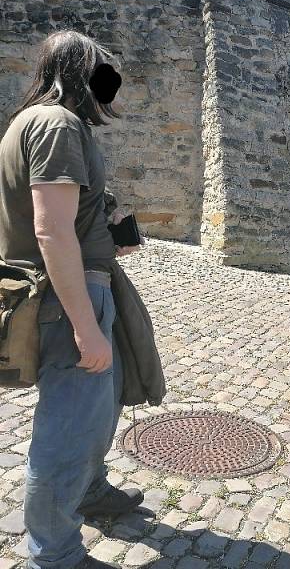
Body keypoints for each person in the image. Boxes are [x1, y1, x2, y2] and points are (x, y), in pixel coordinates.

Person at [0, 31, 142, 569]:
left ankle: (89, 490)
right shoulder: (57, 124)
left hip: (76, 287)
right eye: (105, 75)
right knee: (66, 430)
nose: (113, 87)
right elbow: (51, 231)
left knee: (96, 410)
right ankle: (54, 555)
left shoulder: (33, 122)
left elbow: (68, 222)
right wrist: (86, 327)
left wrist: (107, 234)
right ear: (82, 73)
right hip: (69, 299)